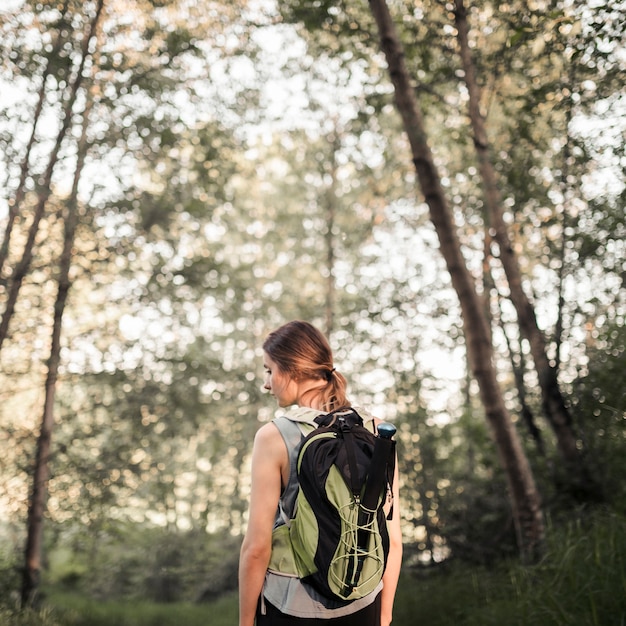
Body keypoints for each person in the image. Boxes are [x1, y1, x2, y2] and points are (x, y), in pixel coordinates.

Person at [239, 320, 402, 626]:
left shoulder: (275, 436)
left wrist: (245, 622)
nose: (266, 383)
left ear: (293, 371)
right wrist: (385, 616)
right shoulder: (378, 431)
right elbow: (392, 537)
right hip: (364, 601)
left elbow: (257, 548)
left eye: (269, 370)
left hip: (289, 604)